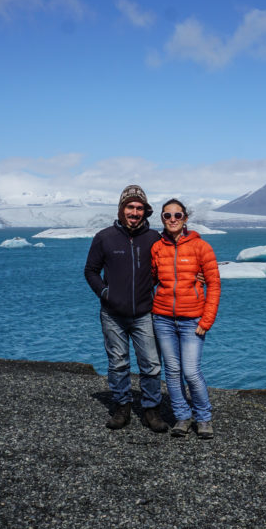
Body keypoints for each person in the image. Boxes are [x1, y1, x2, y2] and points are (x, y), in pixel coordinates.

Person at [84, 185, 168, 433]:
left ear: (146, 211)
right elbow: (90, 271)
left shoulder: (154, 239)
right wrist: (105, 293)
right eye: (130, 207)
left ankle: (151, 410)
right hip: (113, 314)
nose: (134, 212)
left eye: (139, 208)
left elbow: (167, 267)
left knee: (151, 364)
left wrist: (197, 276)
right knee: (118, 363)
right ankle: (122, 407)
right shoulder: (105, 237)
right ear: (121, 209)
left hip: (144, 312)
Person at [151, 199, 221, 439]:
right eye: (167, 215)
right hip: (162, 319)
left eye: (177, 215)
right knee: (172, 371)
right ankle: (182, 416)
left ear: (185, 218)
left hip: (193, 320)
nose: (172, 220)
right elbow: (149, 279)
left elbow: (214, 285)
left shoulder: (201, 247)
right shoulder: (157, 248)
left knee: (191, 372)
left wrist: (206, 320)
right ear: (162, 218)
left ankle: (203, 418)